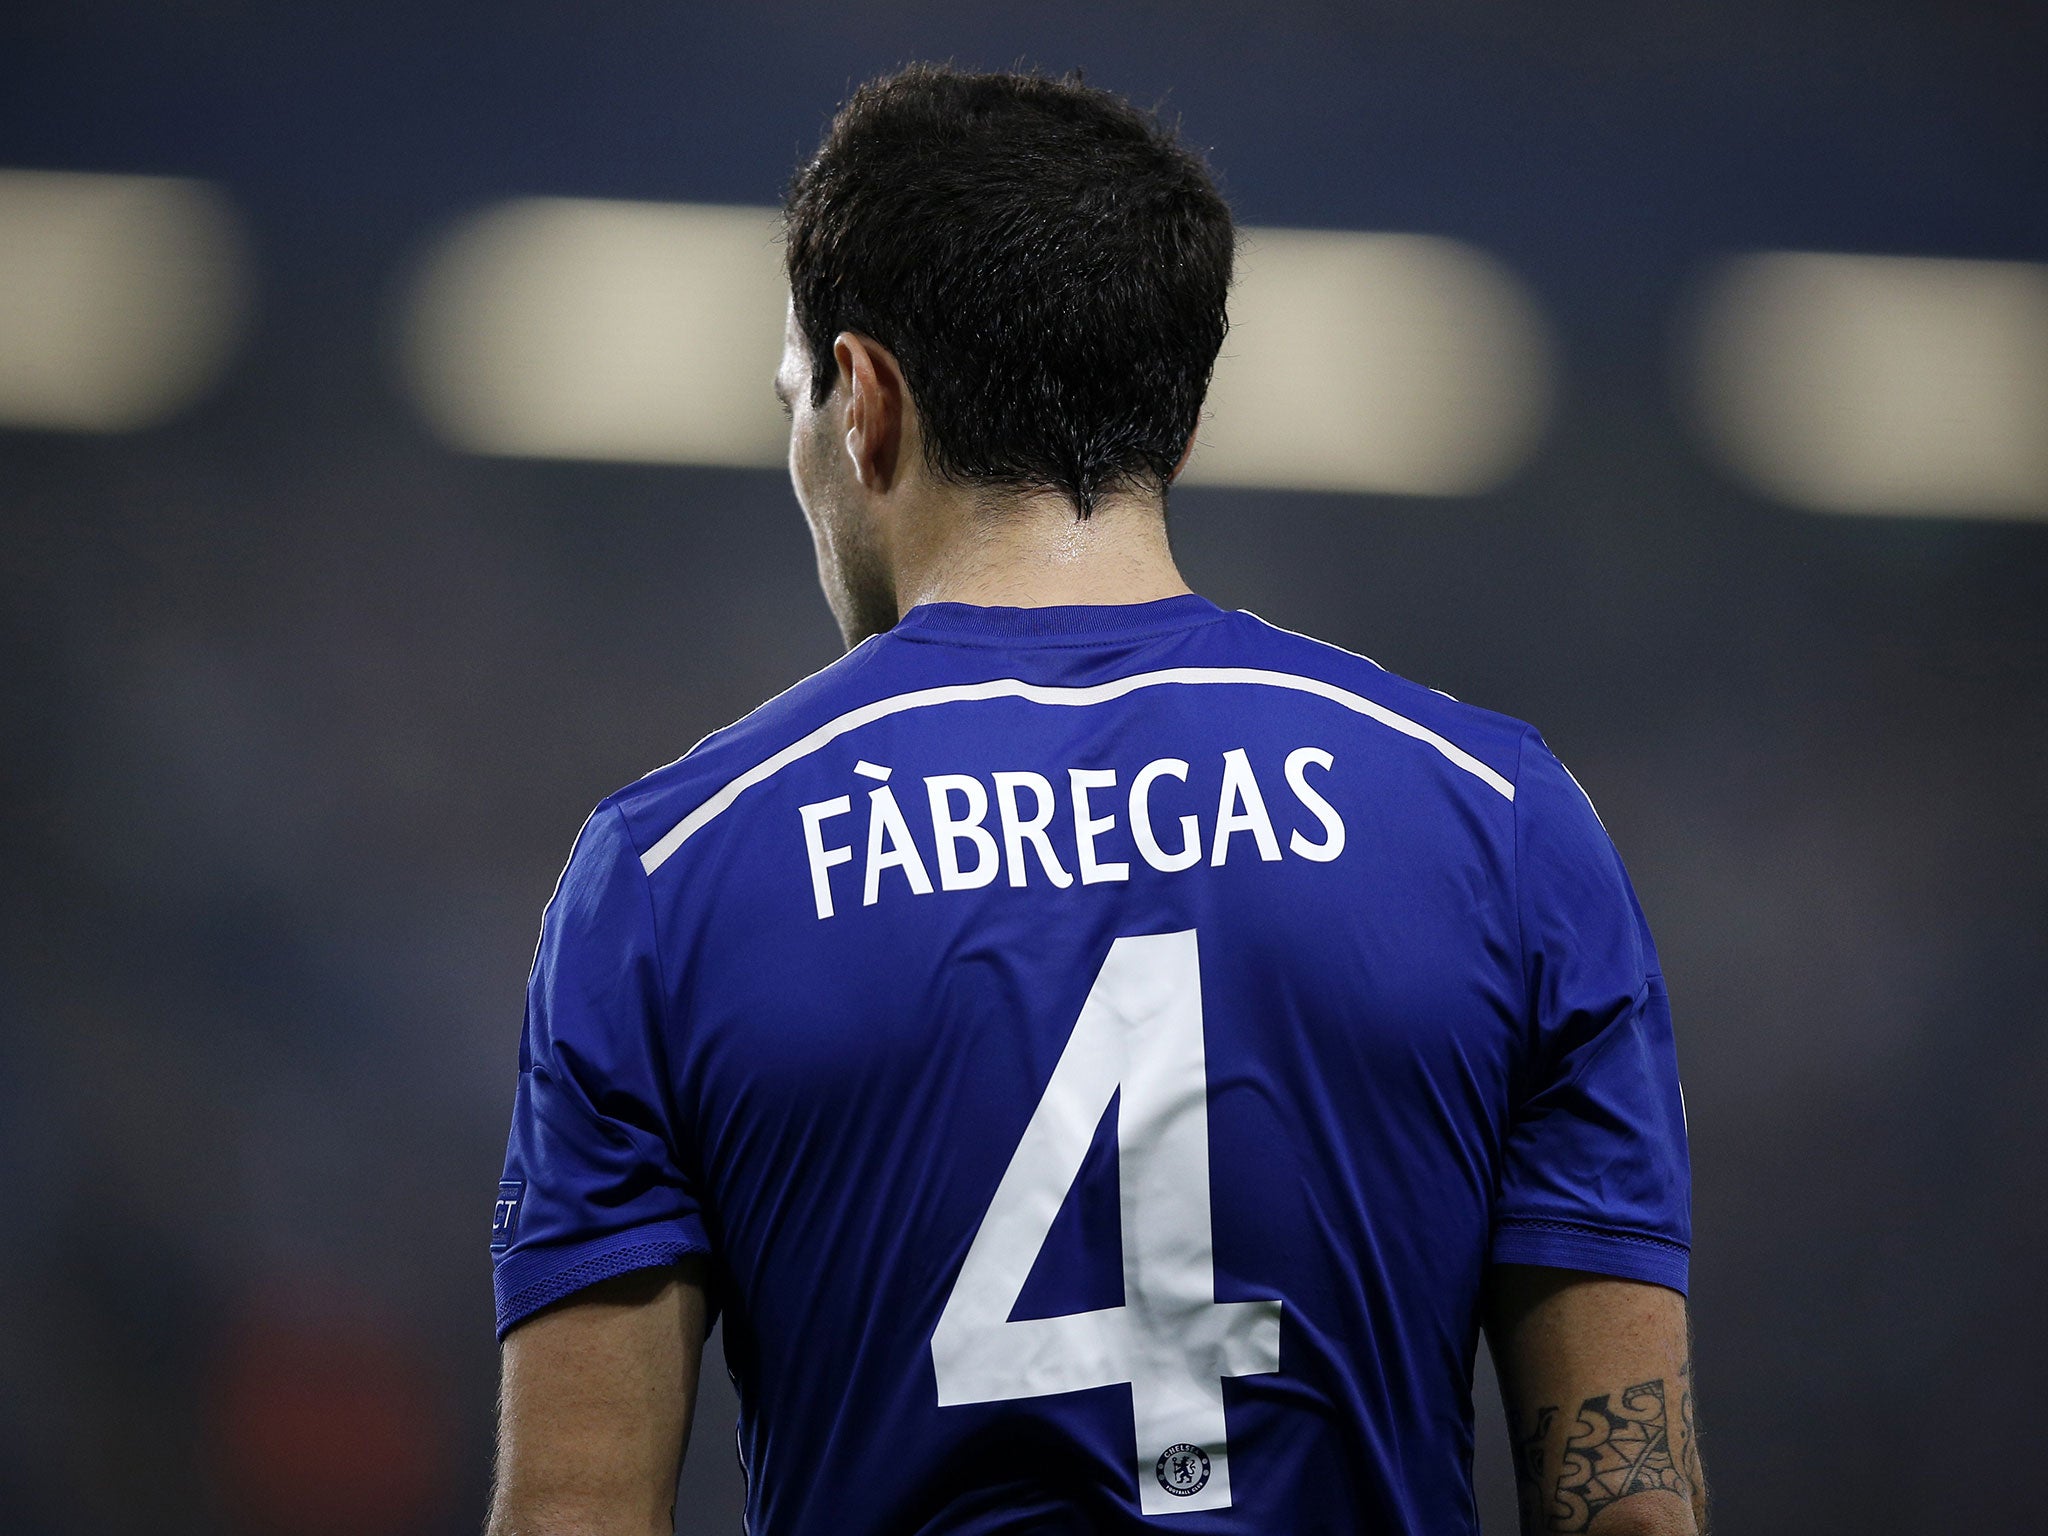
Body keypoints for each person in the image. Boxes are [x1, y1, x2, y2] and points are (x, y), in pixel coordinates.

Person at [485, 63, 1705, 1536]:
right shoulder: (1503, 825)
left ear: (864, 403)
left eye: (797, 398)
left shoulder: (666, 877)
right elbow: (1629, 1510)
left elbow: (575, 1517)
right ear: (1175, 424)